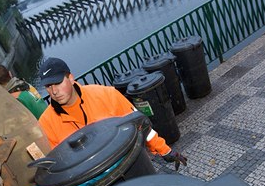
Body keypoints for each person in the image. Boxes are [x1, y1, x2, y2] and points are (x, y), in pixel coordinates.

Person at [37, 57, 187, 169]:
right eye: (48, 86)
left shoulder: (106, 95)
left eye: (57, 83)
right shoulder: (46, 124)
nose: (54, 91)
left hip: (129, 166)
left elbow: (140, 124)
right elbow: (56, 165)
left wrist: (165, 151)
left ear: (70, 78)